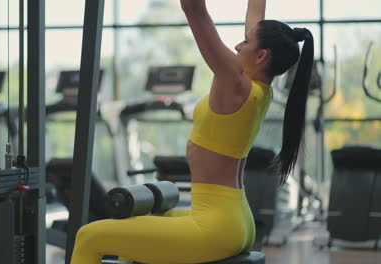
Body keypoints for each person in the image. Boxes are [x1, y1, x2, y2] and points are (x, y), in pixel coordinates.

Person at [69, 0, 314, 263]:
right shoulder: (259, 88)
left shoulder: (235, 83)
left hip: (214, 226)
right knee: (140, 227)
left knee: (89, 236)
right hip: (236, 219)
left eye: (245, 41)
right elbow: (255, 12)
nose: (237, 46)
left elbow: (194, 8)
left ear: (261, 55)